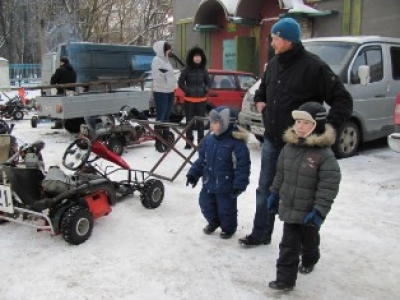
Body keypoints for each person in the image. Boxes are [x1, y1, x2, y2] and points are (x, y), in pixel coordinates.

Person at [238, 17, 353, 247]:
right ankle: (261, 233)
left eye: (276, 39)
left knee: (301, 198)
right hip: (272, 141)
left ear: (288, 40)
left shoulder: (314, 67)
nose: (272, 43)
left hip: (300, 147)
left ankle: (303, 246)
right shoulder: (274, 65)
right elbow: (261, 92)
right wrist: (261, 103)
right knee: (265, 190)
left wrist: (324, 129)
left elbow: (343, 100)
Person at [267, 102, 341, 291]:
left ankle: (310, 257)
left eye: (306, 123)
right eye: (298, 121)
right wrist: (274, 193)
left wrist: (319, 210)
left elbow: (329, 185)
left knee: (309, 238)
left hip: (309, 209)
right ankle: (285, 280)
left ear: (318, 126)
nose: (299, 126)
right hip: (290, 206)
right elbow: (281, 174)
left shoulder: (324, 156)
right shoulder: (288, 149)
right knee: (289, 245)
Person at [186, 106, 250, 239]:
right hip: (209, 182)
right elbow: (202, 160)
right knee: (205, 204)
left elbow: (242, 166)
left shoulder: (236, 144)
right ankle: (213, 221)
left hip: (226, 185)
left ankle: (228, 228)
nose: (212, 125)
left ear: (226, 124)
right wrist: (193, 173)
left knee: (226, 209)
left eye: (216, 123)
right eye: (211, 122)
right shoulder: (209, 140)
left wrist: (239, 184)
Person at [178, 46, 211, 149]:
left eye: (199, 56)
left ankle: (200, 143)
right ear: (192, 57)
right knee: (189, 123)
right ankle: (189, 143)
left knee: (200, 123)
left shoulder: (204, 70)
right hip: (189, 100)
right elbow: (180, 83)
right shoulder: (186, 70)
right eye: (196, 56)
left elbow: (208, 83)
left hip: (201, 100)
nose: (197, 58)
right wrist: (187, 90)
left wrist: (205, 89)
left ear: (202, 58)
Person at [151, 40, 177, 153]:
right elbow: (157, 76)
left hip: (170, 91)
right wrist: (169, 79)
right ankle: (158, 143)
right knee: (160, 118)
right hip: (160, 92)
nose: (170, 51)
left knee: (166, 117)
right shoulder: (156, 60)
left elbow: (169, 73)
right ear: (162, 50)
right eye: (168, 49)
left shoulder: (167, 61)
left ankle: (166, 141)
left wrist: (172, 80)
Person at [50, 57, 77, 129]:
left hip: (62, 92)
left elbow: (52, 81)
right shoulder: (73, 71)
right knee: (70, 108)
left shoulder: (60, 70)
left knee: (59, 108)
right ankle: (70, 123)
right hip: (72, 92)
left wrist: (54, 76)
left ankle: (59, 124)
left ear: (62, 62)